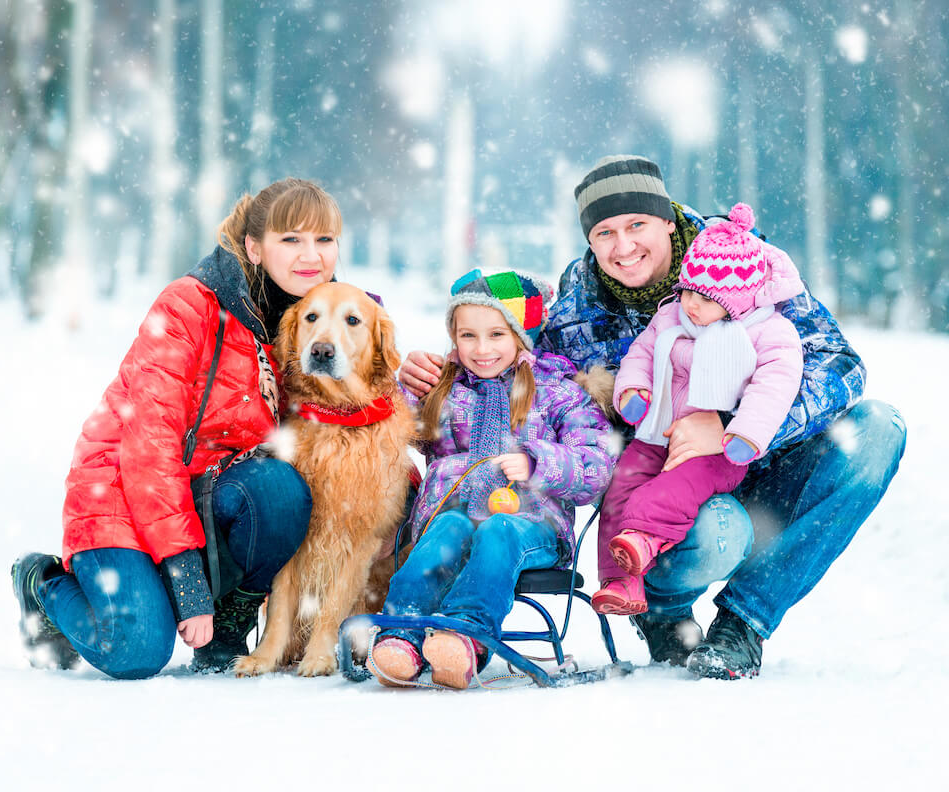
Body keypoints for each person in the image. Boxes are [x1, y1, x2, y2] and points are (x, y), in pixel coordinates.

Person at [400, 155, 906, 680]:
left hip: (761, 460)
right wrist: (447, 371)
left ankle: (744, 623)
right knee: (721, 532)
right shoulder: (580, 306)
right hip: (667, 496)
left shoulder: (742, 263)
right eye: (604, 232)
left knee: (876, 430)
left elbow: (838, 363)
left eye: (637, 225)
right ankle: (664, 610)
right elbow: (525, 376)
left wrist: (735, 428)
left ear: (668, 220)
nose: (623, 247)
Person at [11, 178, 344, 679]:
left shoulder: (319, 320)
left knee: (279, 491)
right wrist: (186, 579)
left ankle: (226, 630)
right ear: (254, 247)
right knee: (137, 650)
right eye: (291, 239)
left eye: (324, 240)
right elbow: (148, 446)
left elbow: (357, 415)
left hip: (211, 493)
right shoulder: (189, 304)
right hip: (122, 491)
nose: (311, 255)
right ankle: (44, 583)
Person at [367, 269, 614, 689]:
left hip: (533, 524)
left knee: (499, 530)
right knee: (446, 528)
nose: (482, 350)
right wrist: (407, 382)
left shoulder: (558, 391)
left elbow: (595, 465)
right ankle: (401, 632)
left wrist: (538, 462)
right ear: (453, 339)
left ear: (522, 334)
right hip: (454, 512)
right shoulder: (446, 389)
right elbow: (389, 425)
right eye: (468, 336)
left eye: (497, 335)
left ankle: (467, 632)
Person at [592, 202, 804, 617]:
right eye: (687, 290)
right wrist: (633, 390)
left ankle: (643, 539)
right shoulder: (672, 317)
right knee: (621, 487)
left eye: (704, 298)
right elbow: (641, 353)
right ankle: (619, 580)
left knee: (672, 490)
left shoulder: (767, 333)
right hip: (656, 434)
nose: (690, 305)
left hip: (717, 450)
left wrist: (744, 433)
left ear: (737, 300)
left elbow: (774, 388)